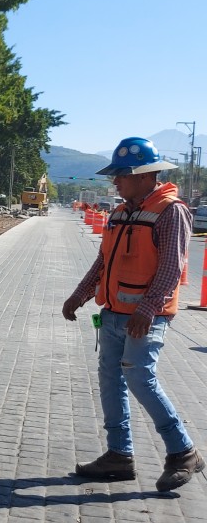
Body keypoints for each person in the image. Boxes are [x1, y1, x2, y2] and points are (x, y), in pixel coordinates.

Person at [62, 137, 204, 492]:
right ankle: (119, 456)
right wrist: (79, 295)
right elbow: (103, 261)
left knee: (140, 378)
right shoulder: (120, 212)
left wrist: (147, 308)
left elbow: (172, 267)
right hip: (112, 314)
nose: (115, 181)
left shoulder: (171, 212)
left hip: (145, 317)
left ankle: (183, 451)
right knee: (111, 382)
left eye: (122, 175)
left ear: (146, 176)